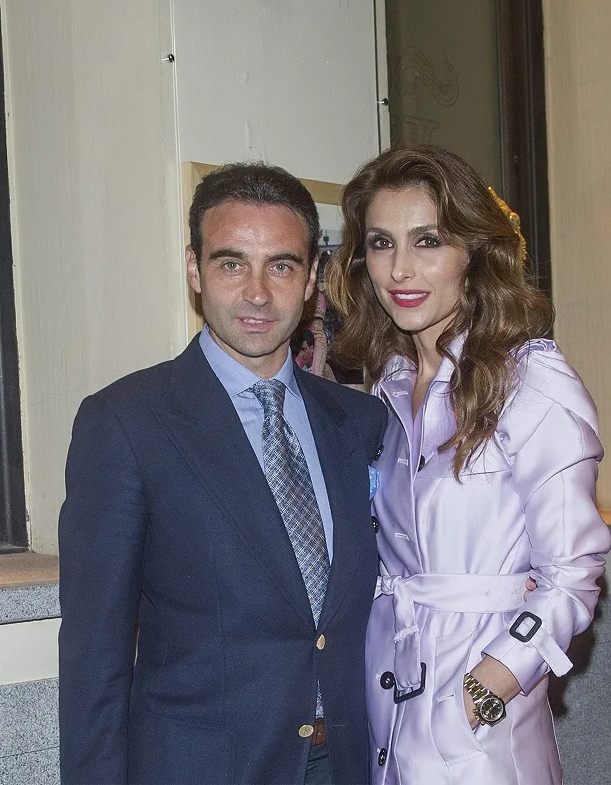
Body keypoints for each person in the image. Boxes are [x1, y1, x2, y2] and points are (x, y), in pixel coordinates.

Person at [58, 162, 388, 785]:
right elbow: (93, 657)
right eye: (232, 263)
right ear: (194, 269)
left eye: (282, 266)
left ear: (313, 277)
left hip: (345, 764)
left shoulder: (361, 423)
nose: (257, 293)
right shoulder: (127, 425)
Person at [325, 145, 611, 784]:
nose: (401, 268)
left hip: (478, 727)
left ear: (473, 254)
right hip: (386, 707)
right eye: (380, 242)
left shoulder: (531, 380)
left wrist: (486, 690)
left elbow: (574, 571)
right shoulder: (389, 388)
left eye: (427, 240)